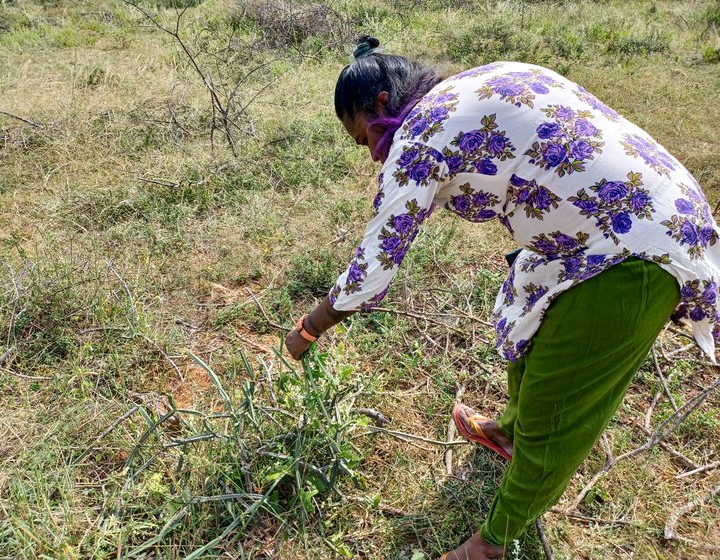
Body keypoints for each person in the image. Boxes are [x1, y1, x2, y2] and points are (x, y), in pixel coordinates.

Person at [285, 35, 720, 559]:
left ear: (380, 103)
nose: (372, 152)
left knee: (557, 413)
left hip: (633, 254)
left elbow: (377, 262)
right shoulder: (485, 75)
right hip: (636, 218)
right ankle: (509, 433)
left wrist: (310, 327)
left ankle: (491, 544)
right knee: (527, 310)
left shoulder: (418, 141)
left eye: (364, 139)